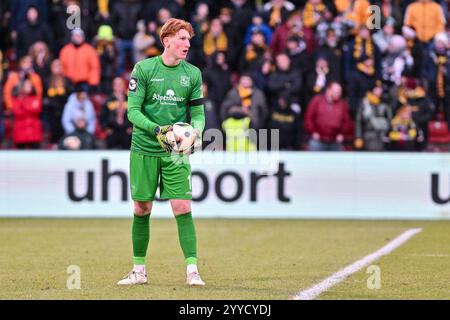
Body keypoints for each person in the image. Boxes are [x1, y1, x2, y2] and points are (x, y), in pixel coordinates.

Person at [118, 18, 206, 287]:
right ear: (166, 40)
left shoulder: (192, 74)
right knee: (142, 208)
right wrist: (157, 130)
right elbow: (132, 111)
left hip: (175, 151)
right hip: (144, 148)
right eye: (181, 38)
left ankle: (192, 270)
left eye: (189, 39)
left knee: (182, 206)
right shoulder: (143, 69)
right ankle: (139, 270)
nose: (187, 44)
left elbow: (199, 114)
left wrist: (196, 131)